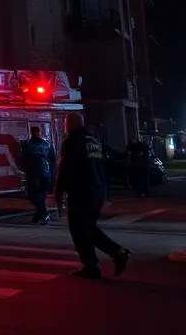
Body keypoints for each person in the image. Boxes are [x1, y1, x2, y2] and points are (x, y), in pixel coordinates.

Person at [55, 112, 131, 279]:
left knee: (78, 229)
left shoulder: (73, 142)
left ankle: (94, 264)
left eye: (66, 122)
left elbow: (65, 168)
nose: (65, 126)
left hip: (81, 191)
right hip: (97, 190)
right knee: (87, 227)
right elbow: (102, 165)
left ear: (71, 124)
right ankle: (114, 254)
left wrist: (58, 193)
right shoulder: (94, 141)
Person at [20, 126, 55, 224]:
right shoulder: (47, 144)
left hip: (34, 173)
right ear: (40, 132)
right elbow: (52, 159)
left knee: (33, 194)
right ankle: (39, 216)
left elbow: (24, 158)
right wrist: (52, 175)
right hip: (46, 172)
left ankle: (44, 212)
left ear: (31, 133)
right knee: (42, 196)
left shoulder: (27, 144)